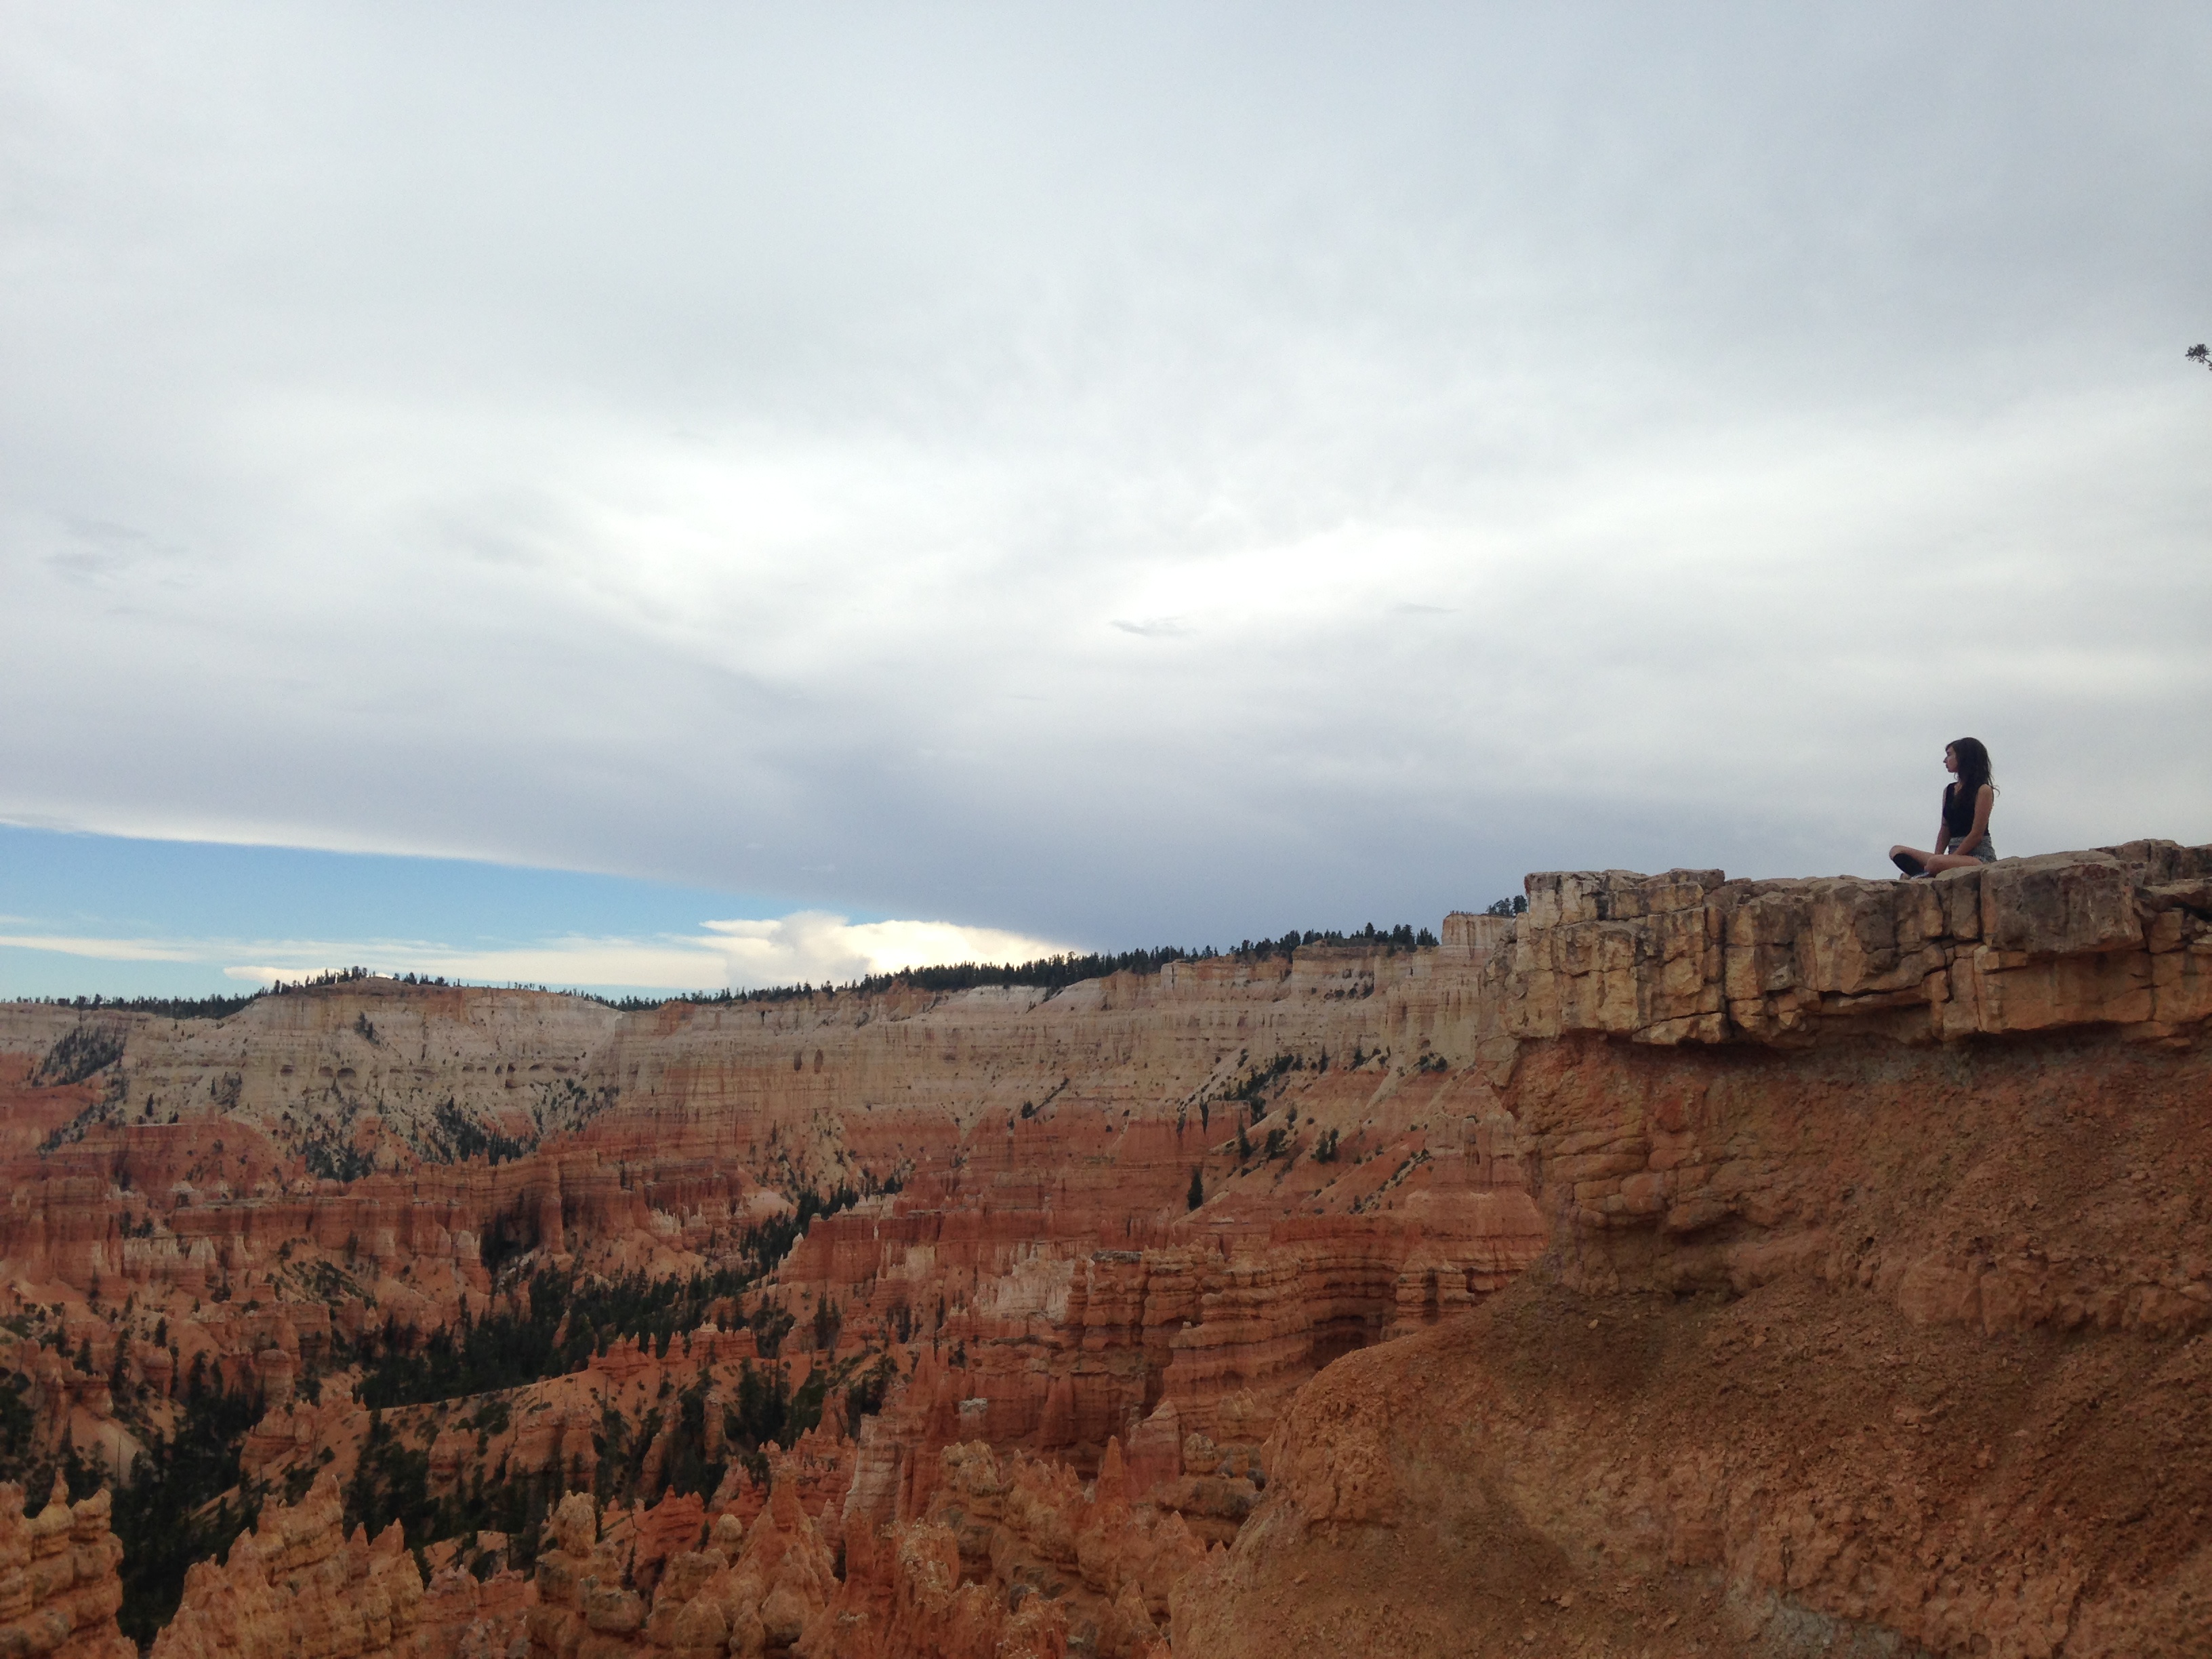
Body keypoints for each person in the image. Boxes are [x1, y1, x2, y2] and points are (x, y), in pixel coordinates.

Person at [1890, 738, 1998, 877]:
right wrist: (1939, 855)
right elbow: (1945, 828)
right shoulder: (1949, 790)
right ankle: (1926, 873)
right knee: (1896, 851)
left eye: (1949, 754)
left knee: (1936, 863)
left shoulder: (1983, 790)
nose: (1945, 760)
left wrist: (1949, 859)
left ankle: (1927, 872)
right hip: (1951, 856)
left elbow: (1977, 834)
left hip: (1977, 857)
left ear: (1963, 757)